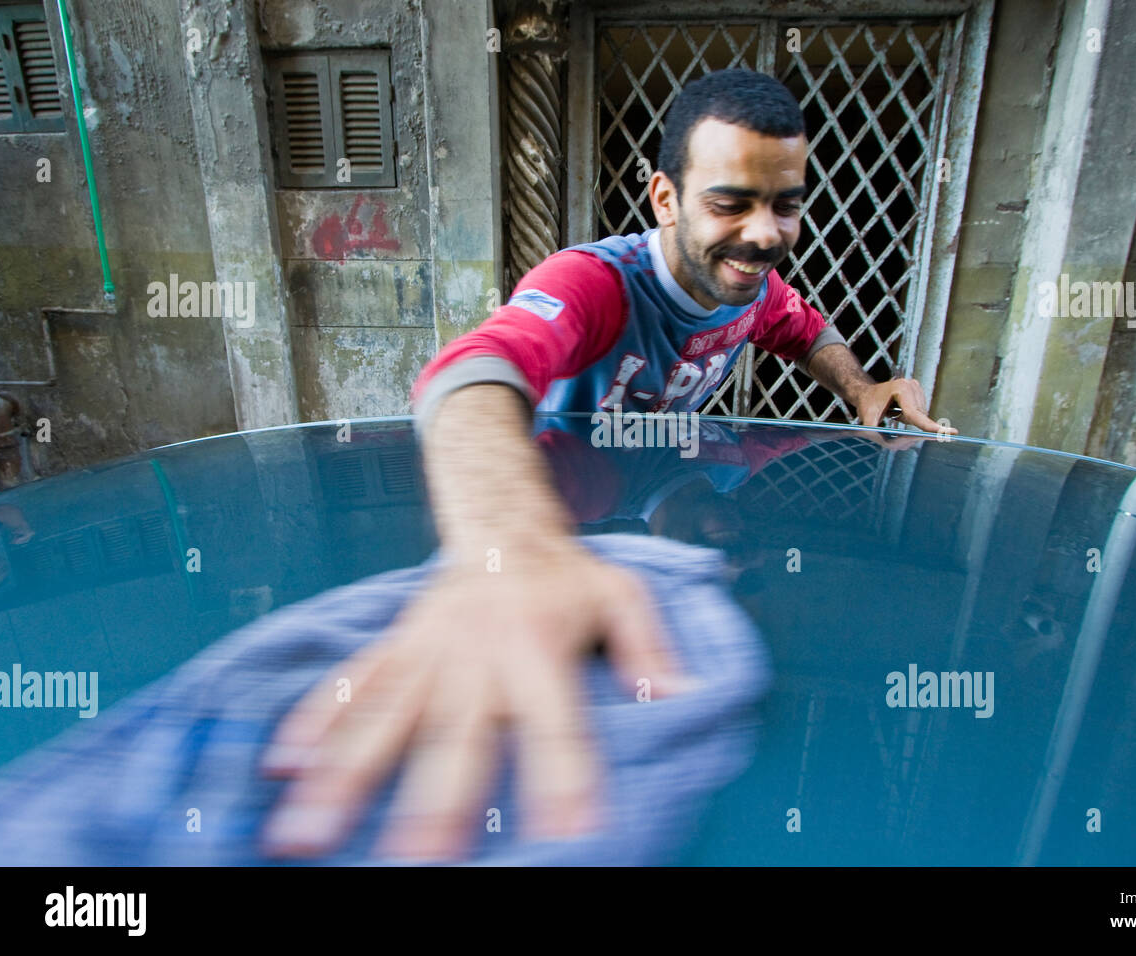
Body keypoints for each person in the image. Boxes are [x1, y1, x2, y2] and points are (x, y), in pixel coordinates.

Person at [260, 68, 956, 860]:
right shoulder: (592, 283)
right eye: (730, 202)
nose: (765, 233)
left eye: (786, 204)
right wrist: (514, 552)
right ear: (665, 199)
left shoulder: (750, 290)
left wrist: (864, 388)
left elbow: (805, 330)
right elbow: (471, 371)